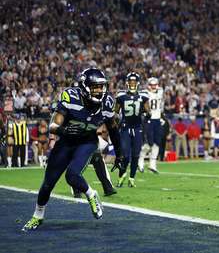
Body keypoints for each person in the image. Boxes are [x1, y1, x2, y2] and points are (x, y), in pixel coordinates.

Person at [22, 68, 123, 232]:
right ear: (85, 86)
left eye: (101, 86)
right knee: (48, 184)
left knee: (72, 175)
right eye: (95, 86)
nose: (99, 90)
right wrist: (64, 131)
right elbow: (53, 126)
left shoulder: (107, 102)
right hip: (66, 142)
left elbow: (113, 129)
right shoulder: (71, 97)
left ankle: (91, 194)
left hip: (87, 142)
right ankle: (37, 216)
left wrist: (119, 154)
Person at [114, 72, 150, 188]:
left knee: (135, 155)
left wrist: (147, 114)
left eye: (134, 81)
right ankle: (121, 176)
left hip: (137, 128)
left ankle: (132, 178)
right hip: (125, 127)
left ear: (138, 83)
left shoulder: (143, 96)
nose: (132, 83)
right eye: (131, 81)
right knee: (125, 155)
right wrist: (116, 119)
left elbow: (147, 110)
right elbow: (115, 112)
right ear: (127, 83)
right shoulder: (121, 96)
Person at [139, 77, 164, 173]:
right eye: (151, 85)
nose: (153, 87)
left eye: (155, 85)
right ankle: (140, 160)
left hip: (157, 119)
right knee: (149, 143)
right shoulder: (144, 93)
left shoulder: (160, 91)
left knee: (157, 143)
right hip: (148, 119)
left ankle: (152, 164)